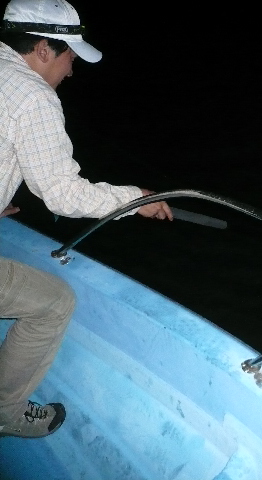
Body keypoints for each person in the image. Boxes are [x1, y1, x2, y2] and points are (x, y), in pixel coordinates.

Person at [0, 0, 173, 438]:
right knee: (55, 303)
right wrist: (134, 200)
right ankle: (4, 413)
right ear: (43, 49)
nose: (72, 71)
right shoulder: (34, 96)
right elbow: (61, 194)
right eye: (70, 58)